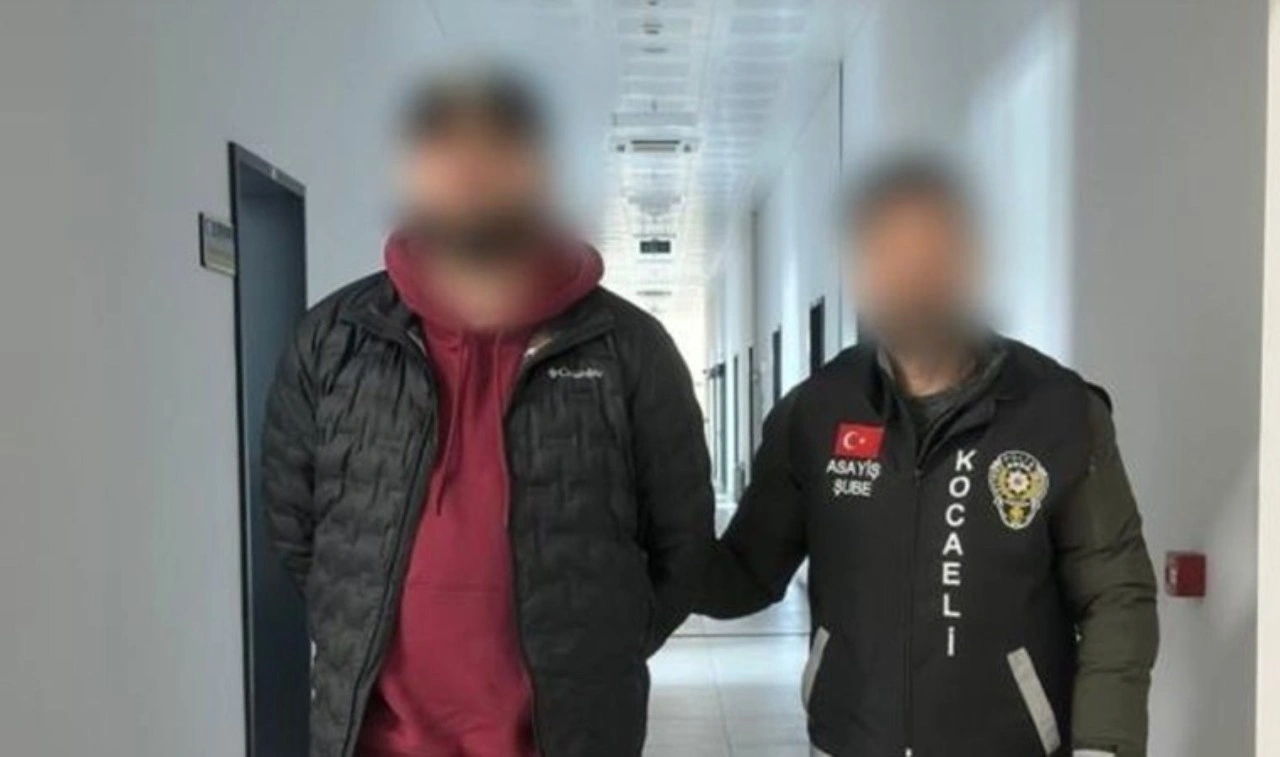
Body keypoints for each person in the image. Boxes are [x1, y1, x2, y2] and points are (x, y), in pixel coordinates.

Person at [261, 69, 714, 757]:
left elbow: (681, 542)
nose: (470, 177)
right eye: (447, 154)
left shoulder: (626, 347)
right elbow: (296, 530)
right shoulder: (335, 338)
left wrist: (600, 650)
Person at [698, 157, 1159, 757]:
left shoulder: (1060, 412)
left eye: (930, 255)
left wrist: (1103, 747)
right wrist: (645, 546)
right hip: (852, 743)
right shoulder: (815, 414)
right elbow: (745, 573)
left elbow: (1116, 595)